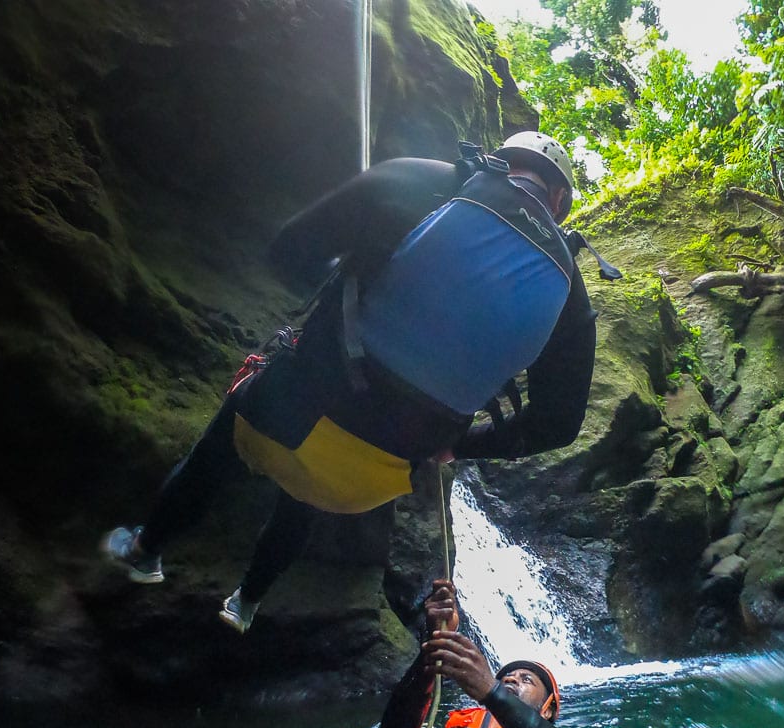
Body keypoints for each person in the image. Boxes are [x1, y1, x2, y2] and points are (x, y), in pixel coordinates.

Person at [103, 133, 618, 634]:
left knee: (228, 443)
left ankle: (146, 550)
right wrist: (457, 444)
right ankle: (248, 601)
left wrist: (346, 278)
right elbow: (558, 425)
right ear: (558, 202)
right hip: (369, 483)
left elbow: (288, 251)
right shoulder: (569, 295)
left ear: (499, 162)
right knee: (307, 492)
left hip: (280, 420)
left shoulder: (422, 180)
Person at [375, 580, 600, 728]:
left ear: (548, 710)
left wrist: (493, 691)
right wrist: (434, 649)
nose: (511, 678)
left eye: (527, 679)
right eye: (504, 678)